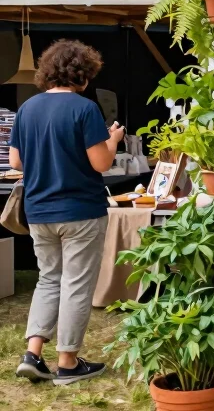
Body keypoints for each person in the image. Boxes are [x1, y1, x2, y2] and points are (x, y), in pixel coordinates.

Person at [9, 40, 124, 385]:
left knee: (48, 279)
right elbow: (101, 163)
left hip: (39, 211)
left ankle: (32, 354)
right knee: (76, 284)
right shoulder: (85, 108)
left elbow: (16, 161)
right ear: (83, 75)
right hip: (80, 211)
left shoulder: (27, 108)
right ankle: (68, 363)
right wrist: (113, 140)